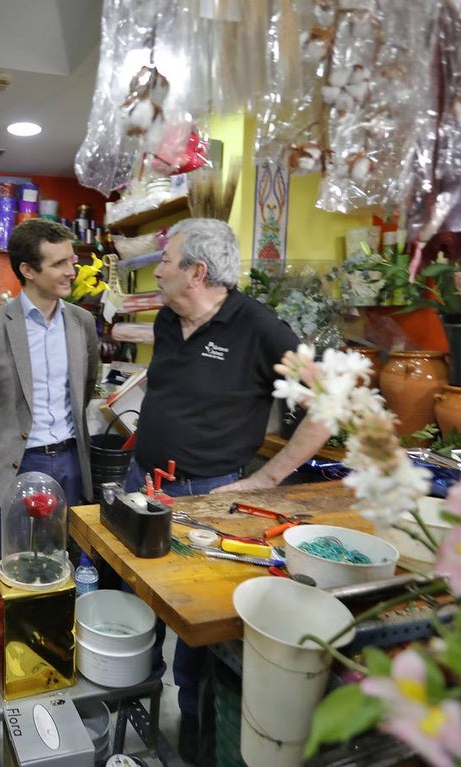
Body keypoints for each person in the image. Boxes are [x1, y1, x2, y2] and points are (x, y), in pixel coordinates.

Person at [127, 217, 330, 764]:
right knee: (136, 602)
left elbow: (328, 406)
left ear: (196, 272)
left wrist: (268, 477)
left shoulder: (260, 328)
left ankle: (193, 733)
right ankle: (134, 706)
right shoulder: (168, 318)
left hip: (210, 495)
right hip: (144, 483)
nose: (158, 270)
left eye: (165, 260)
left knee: (199, 624)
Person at [0, 218, 99, 565]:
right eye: (58, 264)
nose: (71, 272)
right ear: (28, 270)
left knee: (60, 562)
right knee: (3, 564)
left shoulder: (82, 323)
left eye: (71, 261)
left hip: (70, 461)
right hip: (13, 463)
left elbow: (87, 385)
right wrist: (0, 437)